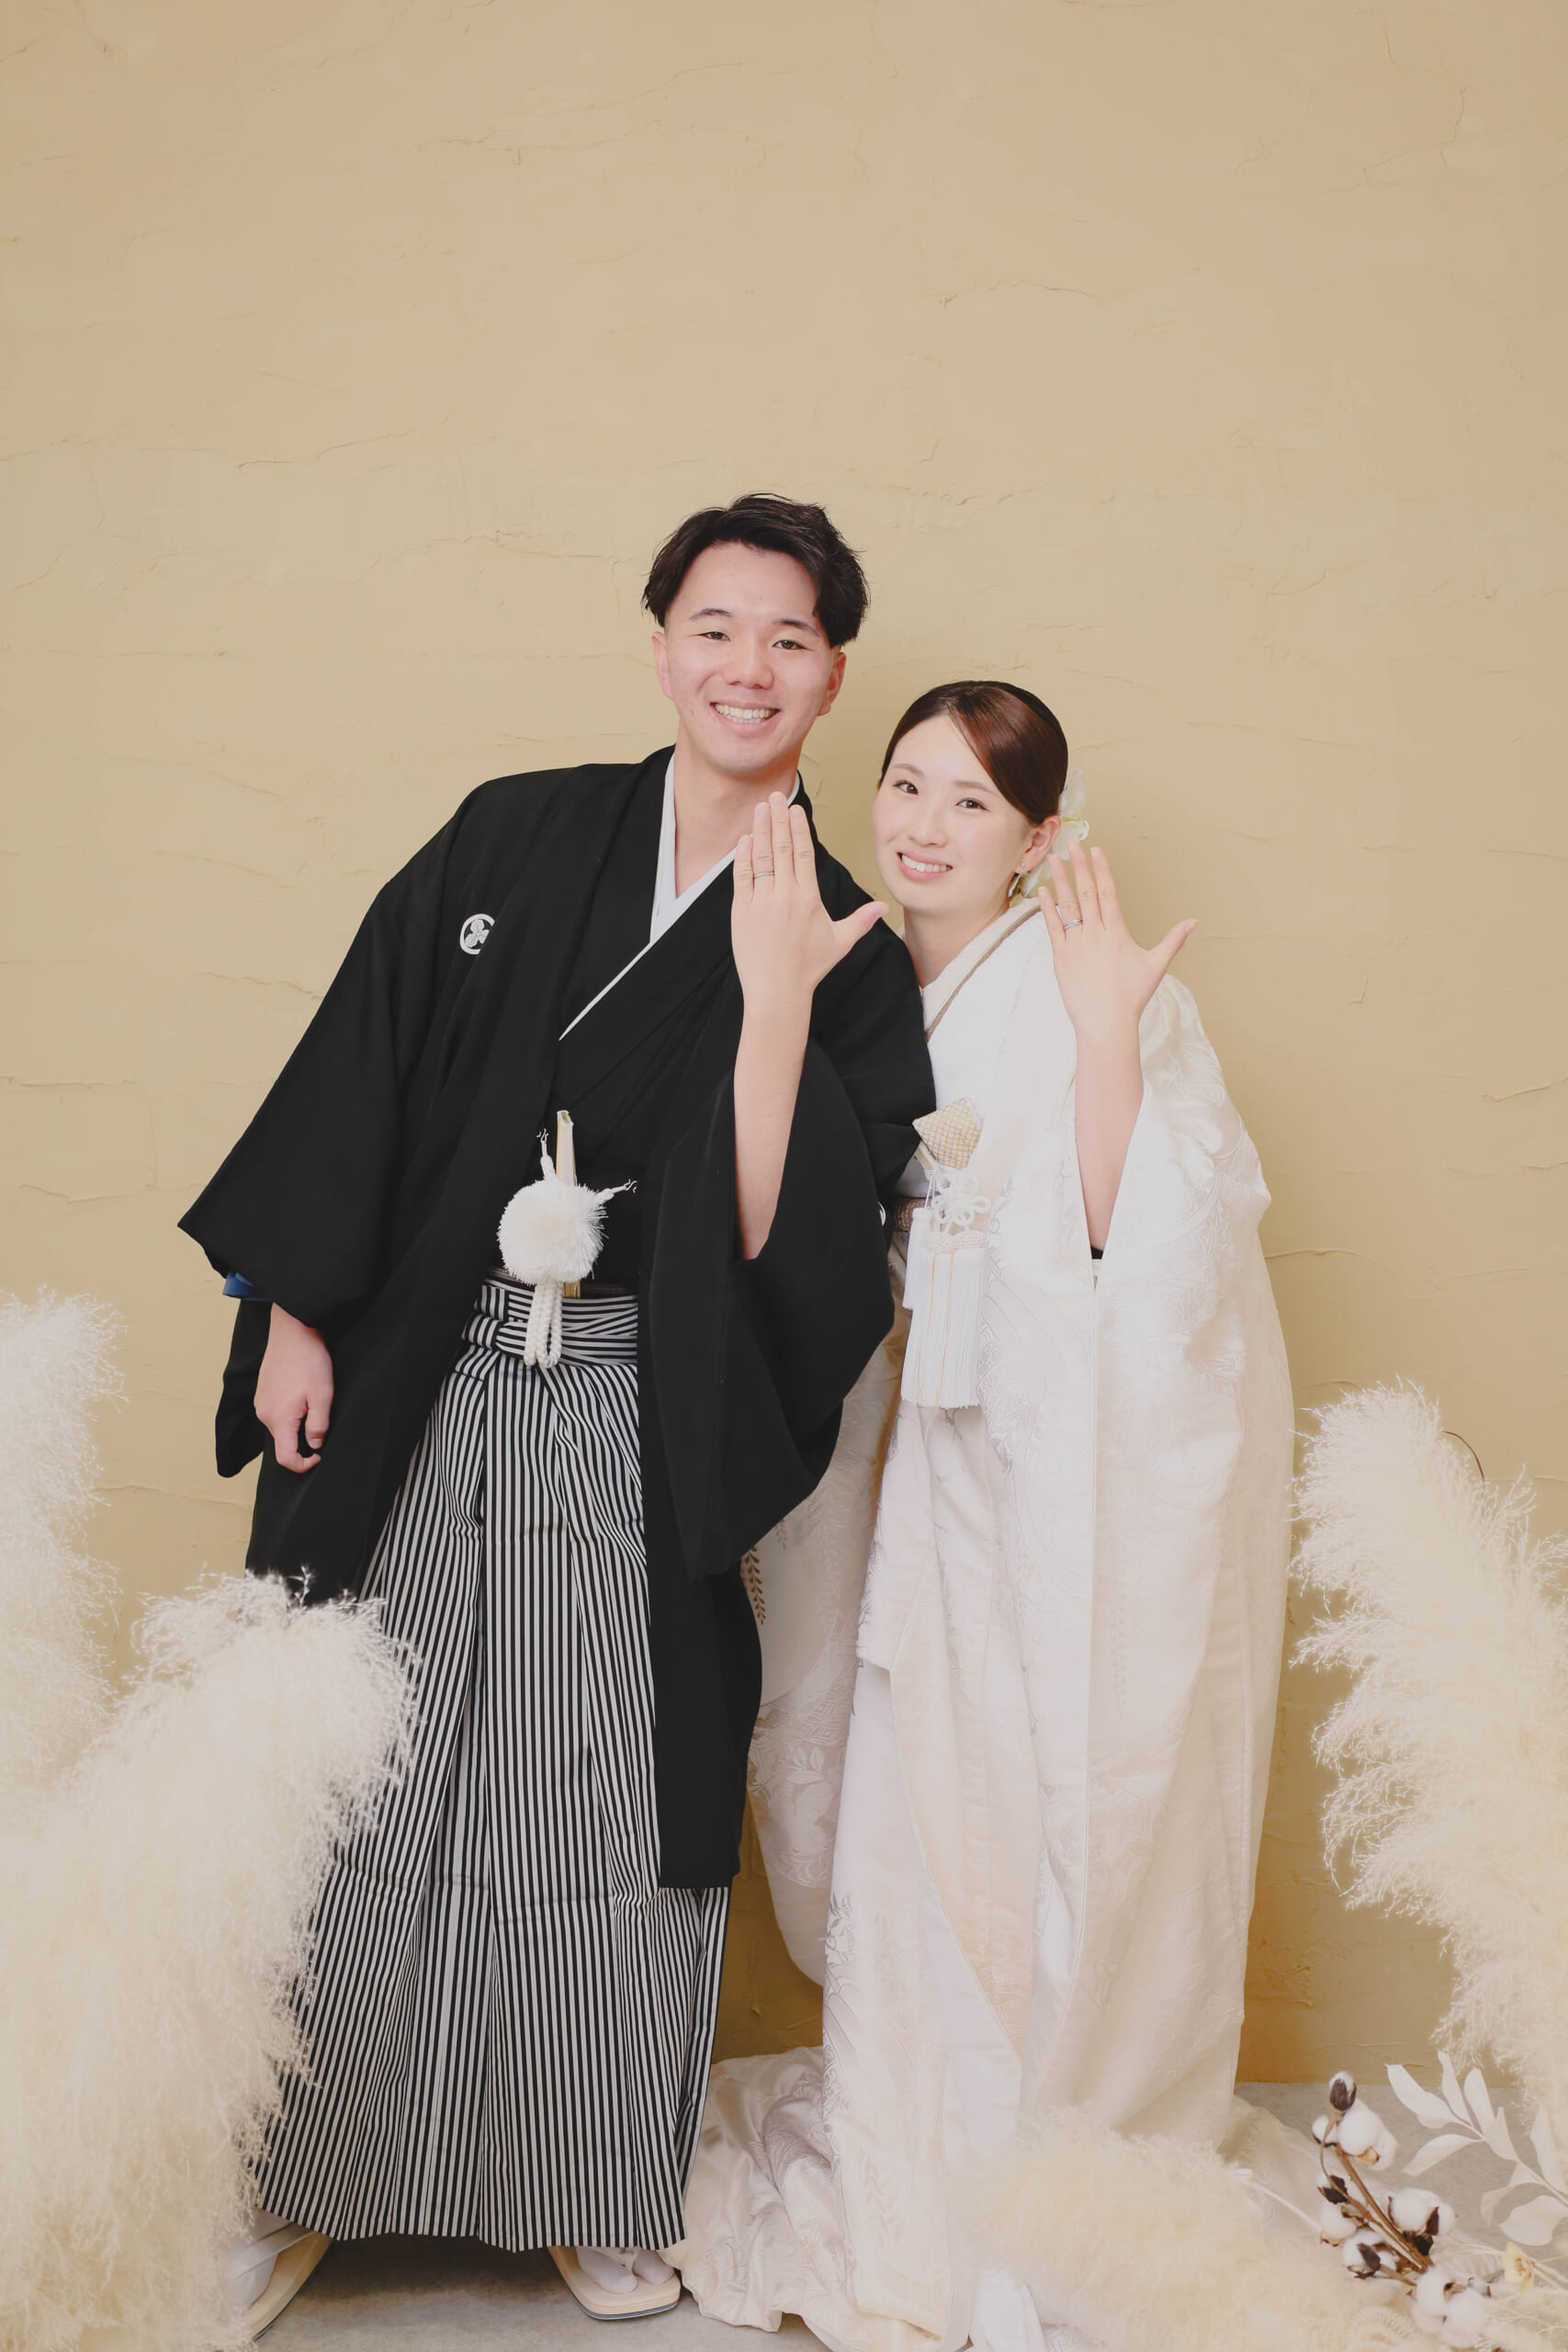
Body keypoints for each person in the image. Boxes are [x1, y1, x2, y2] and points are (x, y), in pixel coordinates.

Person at [179, 494, 932, 2325]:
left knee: (598, 1787)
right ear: (661, 642)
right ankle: (296, 2179)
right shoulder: (514, 832)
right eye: (714, 626)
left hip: (639, 1395)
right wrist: (293, 1309)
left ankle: (587, 2180)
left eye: (787, 638)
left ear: (832, 675)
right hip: (417, 1367)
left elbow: (805, 1250)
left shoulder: (844, 933)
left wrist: (772, 1006)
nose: (746, 667)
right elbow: (362, 1058)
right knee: (360, 1764)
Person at [674, 682, 1293, 2352]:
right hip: (902, 1474)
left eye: (971, 802)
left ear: (1038, 838)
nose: (925, 825)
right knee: (906, 1815)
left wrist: (1105, 1041)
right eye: (906, 785)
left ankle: (1042, 2170)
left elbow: (1145, 1249)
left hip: (1047, 1476)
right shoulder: (855, 972)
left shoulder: (1097, 982)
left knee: (1037, 1801)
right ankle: (914, 2163)